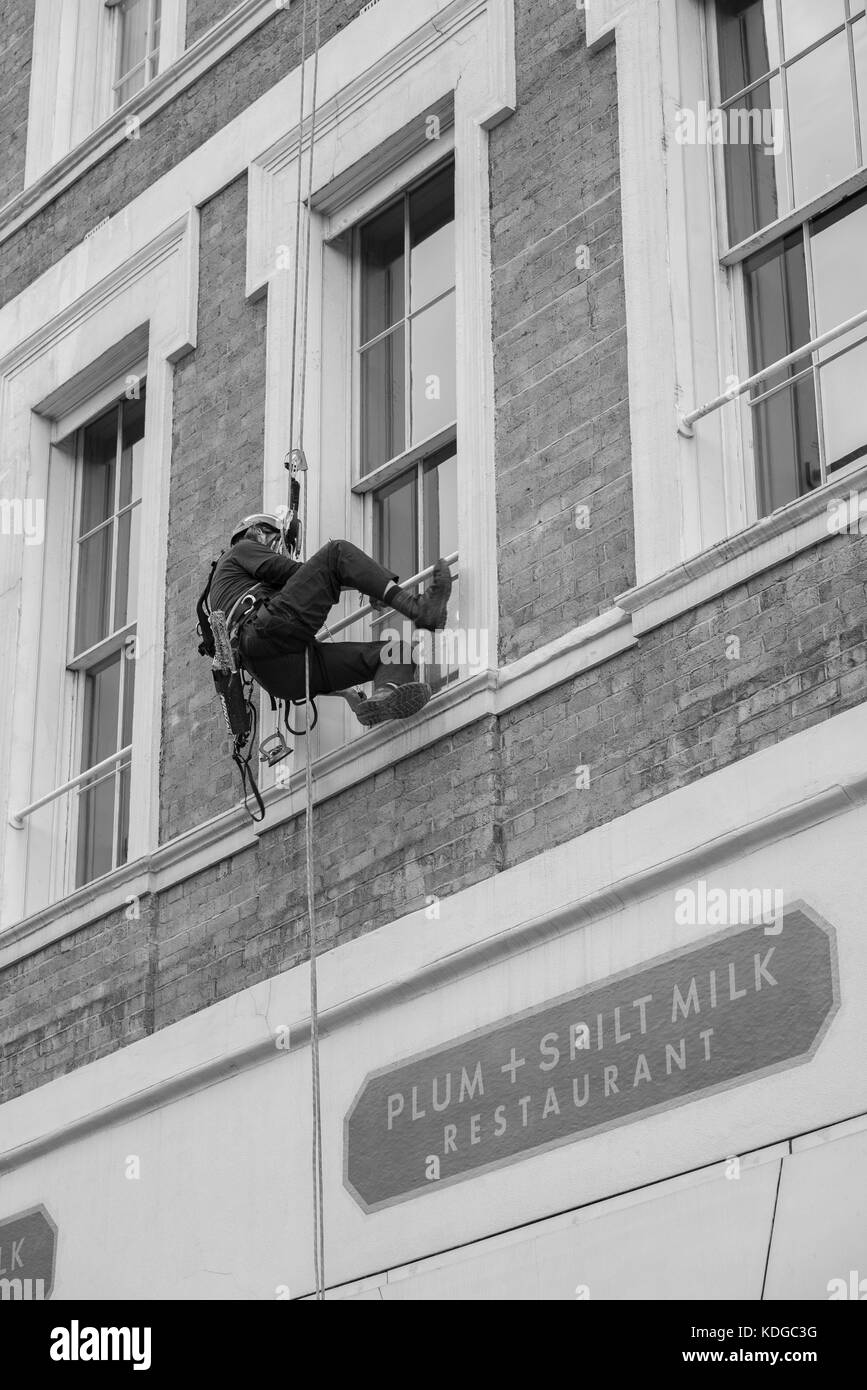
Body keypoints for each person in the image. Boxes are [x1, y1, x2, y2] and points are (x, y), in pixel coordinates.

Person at [207, 513, 452, 727]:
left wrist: (346, 694)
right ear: (259, 532)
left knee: (395, 652)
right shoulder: (241, 549)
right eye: (275, 542)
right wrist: (370, 584)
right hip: (268, 630)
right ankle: (420, 610)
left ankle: (385, 694)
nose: (276, 549)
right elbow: (298, 573)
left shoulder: (230, 584)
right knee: (337, 553)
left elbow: (305, 584)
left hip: (278, 676)